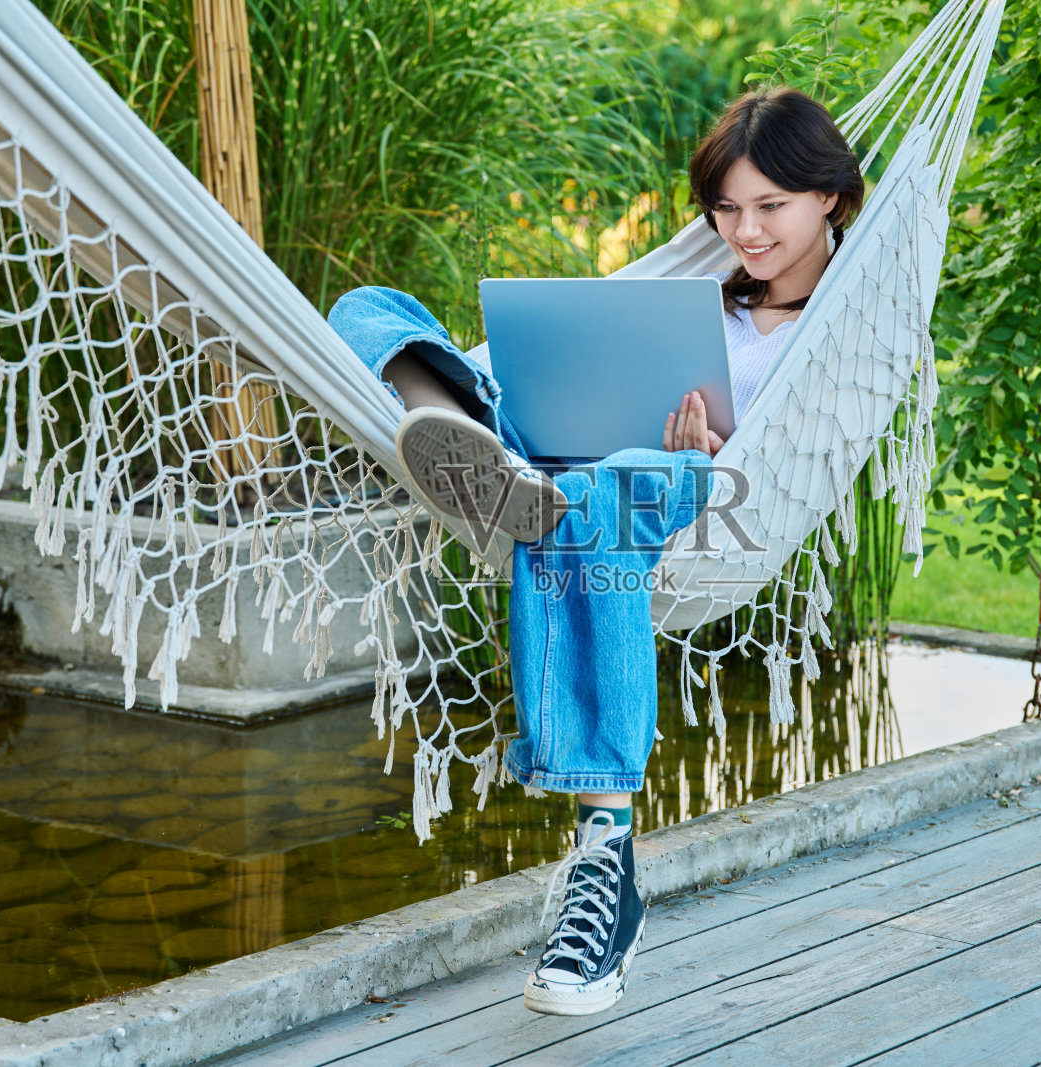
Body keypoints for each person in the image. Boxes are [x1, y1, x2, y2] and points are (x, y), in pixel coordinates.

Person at [327, 85, 864, 1016]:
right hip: (571, 461)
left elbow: (779, 464)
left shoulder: (842, 331)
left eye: (771, 205)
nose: (746, 231)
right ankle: (479, 448)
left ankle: (604, 856)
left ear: (830, 197)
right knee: (367, 309)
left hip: (699, 494)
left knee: (593, 497)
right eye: (727, 208)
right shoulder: (697, 300)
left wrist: (705, 453)